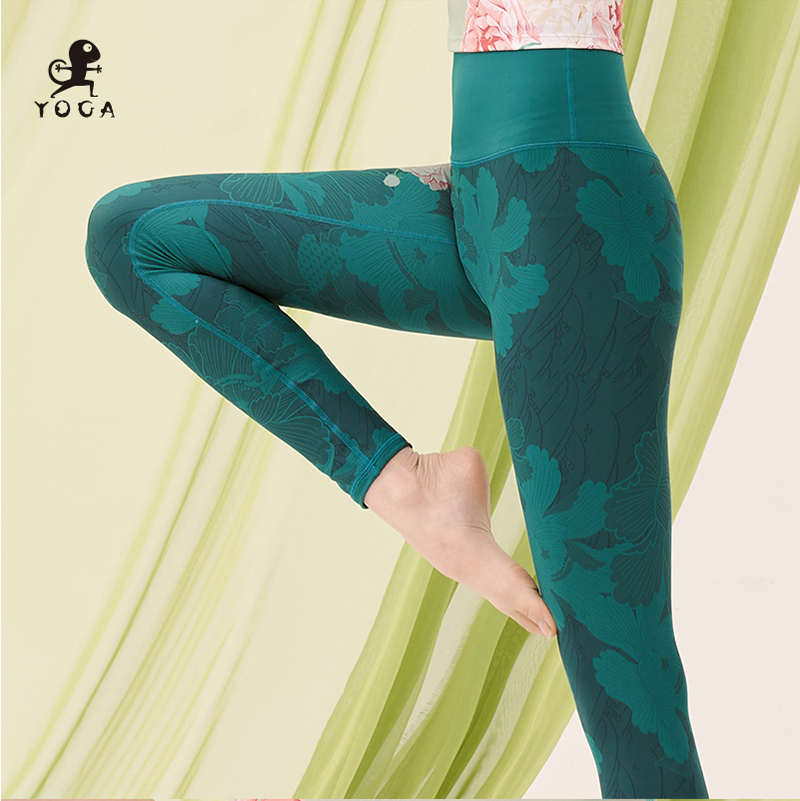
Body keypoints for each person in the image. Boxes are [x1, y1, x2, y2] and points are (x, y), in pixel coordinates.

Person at [84, 0, 708, 796]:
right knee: (135, 237)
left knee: (624, 683)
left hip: (581, 223)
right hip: (477, 206)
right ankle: (409, 485)